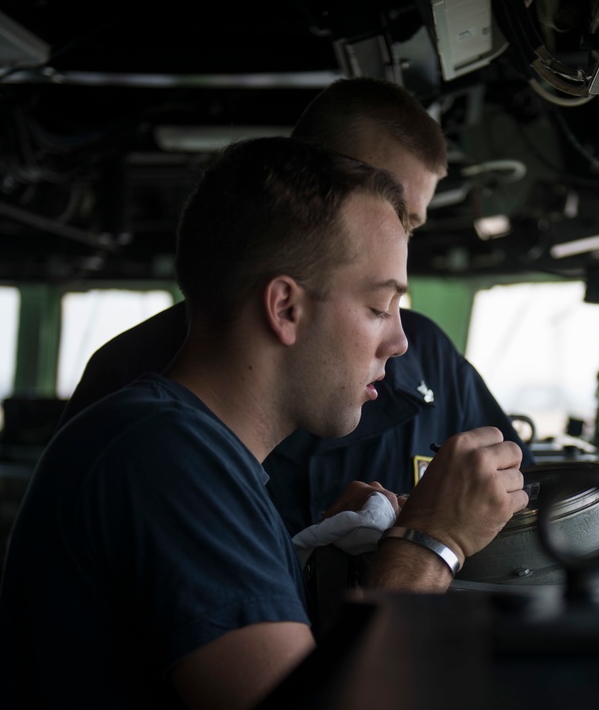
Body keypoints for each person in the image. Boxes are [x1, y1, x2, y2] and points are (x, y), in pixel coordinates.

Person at [0, 138, 528, 708]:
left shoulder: (192, 454)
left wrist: (308, 556)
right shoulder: (167, 460)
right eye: (378, 308)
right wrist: (429, 545)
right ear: (285, 308)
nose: (398, 342)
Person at [58, 77, 534, 536]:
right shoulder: (139, 395)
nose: (392, 234)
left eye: (407, 221)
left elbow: (520, 506)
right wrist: (429, 547)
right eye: (371, 197)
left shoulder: (427, 358)